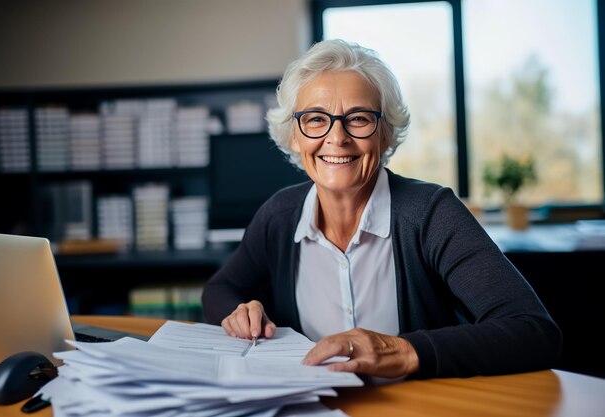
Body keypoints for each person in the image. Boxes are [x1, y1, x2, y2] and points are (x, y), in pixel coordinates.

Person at [201, 39, 562, 380]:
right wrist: (240, 312)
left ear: (385, 134)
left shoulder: (431, 213)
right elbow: (219, 291)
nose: (337, 138)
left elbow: (533, 330)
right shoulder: (278, 216)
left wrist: (403, 351)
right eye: (315, 119)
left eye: (358, 119)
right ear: (294, 136)